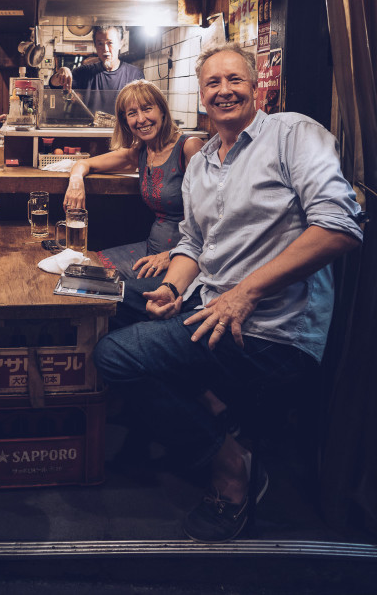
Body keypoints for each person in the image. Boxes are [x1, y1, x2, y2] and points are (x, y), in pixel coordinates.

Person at [93, 42, 363, 542]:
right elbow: (193, 242)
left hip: (271, 328)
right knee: (108, 299)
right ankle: (213, 409)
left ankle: (232, 468)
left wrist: (246, 293)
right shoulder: (201, 162)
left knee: (114, 356)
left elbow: (339, 226)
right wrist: (172, 286)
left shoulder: (294, 134)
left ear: (256, 85)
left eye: (234, 79)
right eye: (213, 83)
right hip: (206, 302)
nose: (224, 90)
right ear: (201, 95)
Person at [64, 80, 204, 324]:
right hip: (150, 250)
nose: (141, 119)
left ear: (162, 110)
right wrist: (76, 181)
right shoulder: (142, 151)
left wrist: (172, 255)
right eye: (132, 113)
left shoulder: (189, 147)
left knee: (100, 294)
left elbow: (213, 220)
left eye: (147, 109)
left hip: (183, 260)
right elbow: (84, 163)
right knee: (77, 275)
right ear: (125, 121)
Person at [49, 25, 142, 114]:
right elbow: (54, 85)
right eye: (100, 43)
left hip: (122, 125)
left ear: (121, 43)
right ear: (95, 46)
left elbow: (141, 106)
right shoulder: (84, 72)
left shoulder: (134, 74)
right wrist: (62, 71)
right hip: (91, 125)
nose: (105, 49)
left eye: (110, 43)